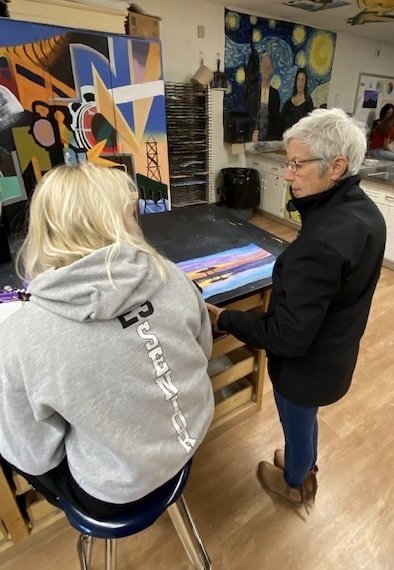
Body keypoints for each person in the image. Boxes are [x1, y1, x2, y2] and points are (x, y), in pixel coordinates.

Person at [0, 163, 214, 518]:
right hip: (192, 437)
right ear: (120, 218)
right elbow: (202, 351)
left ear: (45, 227)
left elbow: (33, 454)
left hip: (119, 489)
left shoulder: (19, 338)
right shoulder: (171, 274)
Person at [207, 108, 386, 511]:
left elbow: (286, 336)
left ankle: (294, 481)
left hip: (305, 368)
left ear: (336, 166)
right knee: (306, 422)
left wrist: (226, 318)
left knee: (297, 423)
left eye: (296, 164)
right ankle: (303, 466)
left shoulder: (323, 241)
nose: (287, 175)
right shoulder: (366, 213)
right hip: (335, 354)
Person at [252, 54, 282, 142]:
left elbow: (276, 120)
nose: (266, 70)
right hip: (254, 140)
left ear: (272, 70)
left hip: (269, 140)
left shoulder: (275, 94)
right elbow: (249, 116)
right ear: (260, 69)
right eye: (264, 67)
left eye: (269, 67)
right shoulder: (254, 92)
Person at [280, 67, 314, 134]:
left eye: (302, 80)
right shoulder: (288, 103)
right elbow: (281, 122)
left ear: (305, 82)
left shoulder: (308, 103)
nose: (300, 83)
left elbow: (308, 126)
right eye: (298, 79)